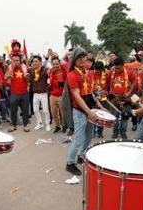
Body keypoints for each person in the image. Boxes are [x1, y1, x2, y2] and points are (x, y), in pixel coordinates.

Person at [65, 48, 99, 176]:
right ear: (74, 59)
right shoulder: (72, 75)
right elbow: (77, 96)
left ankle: (81, 155)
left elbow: (92, 93)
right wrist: (89, 112)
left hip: (90, 109)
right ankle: (70, 163)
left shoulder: (89, 73)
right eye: (79, 57)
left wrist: (99, 106)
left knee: (89, 136)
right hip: (79, 110)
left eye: (84, 57)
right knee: (78, 138)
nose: (82, 59)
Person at [107, 57, 135, 139]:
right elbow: (107, 84)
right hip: (114, 99)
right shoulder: (111, 72)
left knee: (125, 117)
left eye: (118, 68)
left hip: (125, 98)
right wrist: (109, 92)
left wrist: (129, 92)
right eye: (115, 68)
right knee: (114, 117)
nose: (116, 70)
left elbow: (134, 82)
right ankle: (115, 132)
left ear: (123, 66)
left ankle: (123, 132)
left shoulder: (129, 73)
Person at [5, 54, 30, 132]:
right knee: (13, 110)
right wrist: (9, 76)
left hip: (24, 93)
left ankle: (25, 125)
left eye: (17, 60)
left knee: (25, 110)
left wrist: (27, 77)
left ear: (20, 61)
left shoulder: (24, 68)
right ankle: (14, 125)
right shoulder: (9, 68)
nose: (15, 62)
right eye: (13, 60)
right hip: (14, 93)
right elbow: (6, 79)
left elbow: (29, 80)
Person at [27, 55, 51, 131]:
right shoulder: (30, 70)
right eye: (33, 61)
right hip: (35, 94)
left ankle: (47, 124)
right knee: (35, 110)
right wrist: (27, 77)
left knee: (45, 110)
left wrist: (49, 72)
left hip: (43, 93)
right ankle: (39, 123)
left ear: (40, 62)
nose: (35, 63)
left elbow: (50, 74)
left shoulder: (45, 69)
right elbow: (28, 80)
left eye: (36, 61)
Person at [48, 56, 66, 133]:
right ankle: (57, 126)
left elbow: (66, 81)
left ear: (59, 63)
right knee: (54, 113)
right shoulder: (50, 72)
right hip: (52, 95)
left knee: (63, 113)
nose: (55, 65)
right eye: (54, 64)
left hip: (61, 95)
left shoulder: (63, 70)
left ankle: (64, 126)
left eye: (57, 64)